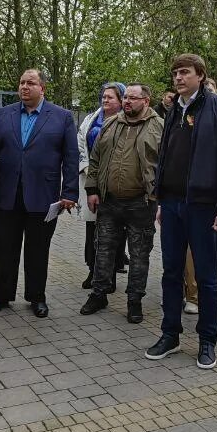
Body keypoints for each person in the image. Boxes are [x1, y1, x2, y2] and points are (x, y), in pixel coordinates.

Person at [145, 54, 217, 369]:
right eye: (174, 73)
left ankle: (207, 340)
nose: (178, 78)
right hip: (171, 205)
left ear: (200, 75)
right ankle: (169, 333)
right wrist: (160, 199)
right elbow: (166, 154)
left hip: (204, 206)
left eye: (184, 72)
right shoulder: (174, 110)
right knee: (171, 272)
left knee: (205, 276)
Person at [0, 69, 79, 318]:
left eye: (31, 83)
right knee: (6, 248)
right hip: (7, 194)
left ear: (43, 89)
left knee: (38, 250)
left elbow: (71, 158)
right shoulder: (2, 114)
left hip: (44, 195)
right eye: (22, 83)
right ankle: (2, 295)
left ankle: (37, 296)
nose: (25, 87)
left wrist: (70, 191)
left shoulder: (62, 117)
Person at [83, 83, 164, 323]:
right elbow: (95, 158)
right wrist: (92, 189)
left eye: (133, 98)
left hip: (142, 202)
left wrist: (160, 198)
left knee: (139, 254)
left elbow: (167, 164)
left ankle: (134, 300)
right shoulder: (111, 123)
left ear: (146, 101)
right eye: (125, 97)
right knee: (103, 249)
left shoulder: (159, 126)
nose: (127, 101)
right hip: (110, 201)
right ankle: (99, 293)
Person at [78, 83, 128, 289]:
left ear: (121, 100)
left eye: (110, 97)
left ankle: (110, 273)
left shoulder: (127, 121)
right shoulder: (91, 119)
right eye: (104, 97)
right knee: (92, 229)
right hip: (91, 179)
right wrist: (87, 168)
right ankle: (93, 270)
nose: (105, 100)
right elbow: (80, 142)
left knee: (113, 230)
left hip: (115, 183)